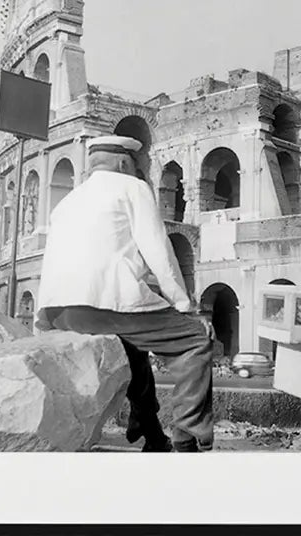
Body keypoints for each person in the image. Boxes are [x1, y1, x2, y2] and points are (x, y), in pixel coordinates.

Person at [35, 136, 214, 452]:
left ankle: (151, 433)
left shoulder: (65, 203)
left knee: (134, 349)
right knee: (196, 342)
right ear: (122, 163)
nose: (139, 172)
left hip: (59, 311)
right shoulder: (132, 188)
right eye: (136, 166)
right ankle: (186, 433)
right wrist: (185, 307)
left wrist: (43, 323)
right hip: (106, 303)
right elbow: (160, 252)